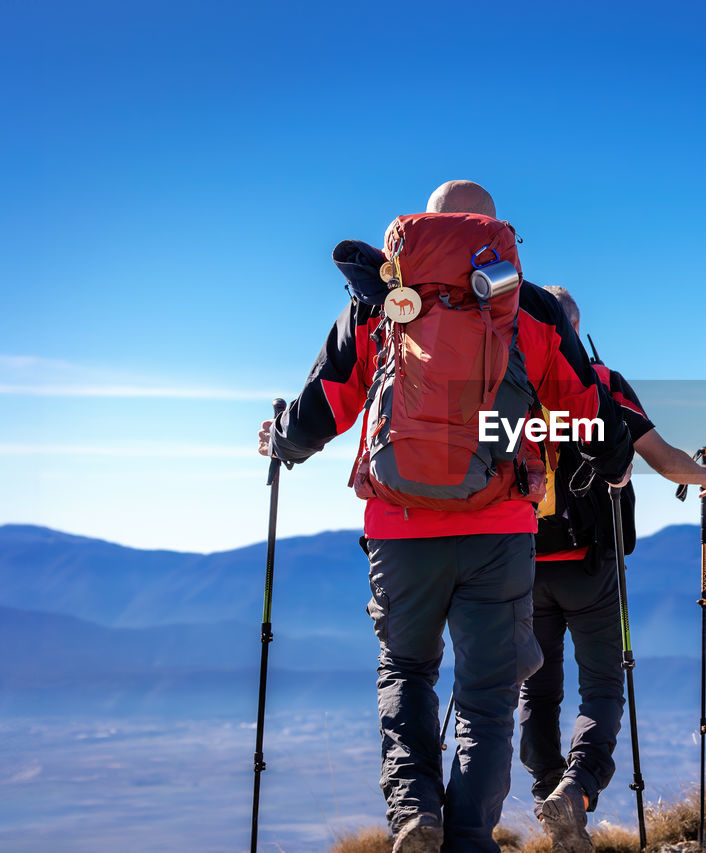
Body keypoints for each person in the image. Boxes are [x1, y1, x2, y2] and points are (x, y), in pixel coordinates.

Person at [256, 182, 635, 853]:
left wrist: (284, 437)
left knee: (406, 672)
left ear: (425, 228)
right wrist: (614, 462)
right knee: (488, 697)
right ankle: (466, 838)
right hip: (499, 528)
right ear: (496, 232)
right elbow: (585, 407)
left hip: (400, 527)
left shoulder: (381, 300)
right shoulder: (531, 306)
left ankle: (413, 813)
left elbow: (327, 403)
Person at [518, 285, 706, 853]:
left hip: (522, 564)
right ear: (574, 331)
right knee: (603, 686)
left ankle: (547, 794)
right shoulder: (601, 383)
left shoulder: (506, 383)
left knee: (536, 688)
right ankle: (576, 790)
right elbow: (666, 461)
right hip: (591, 565)